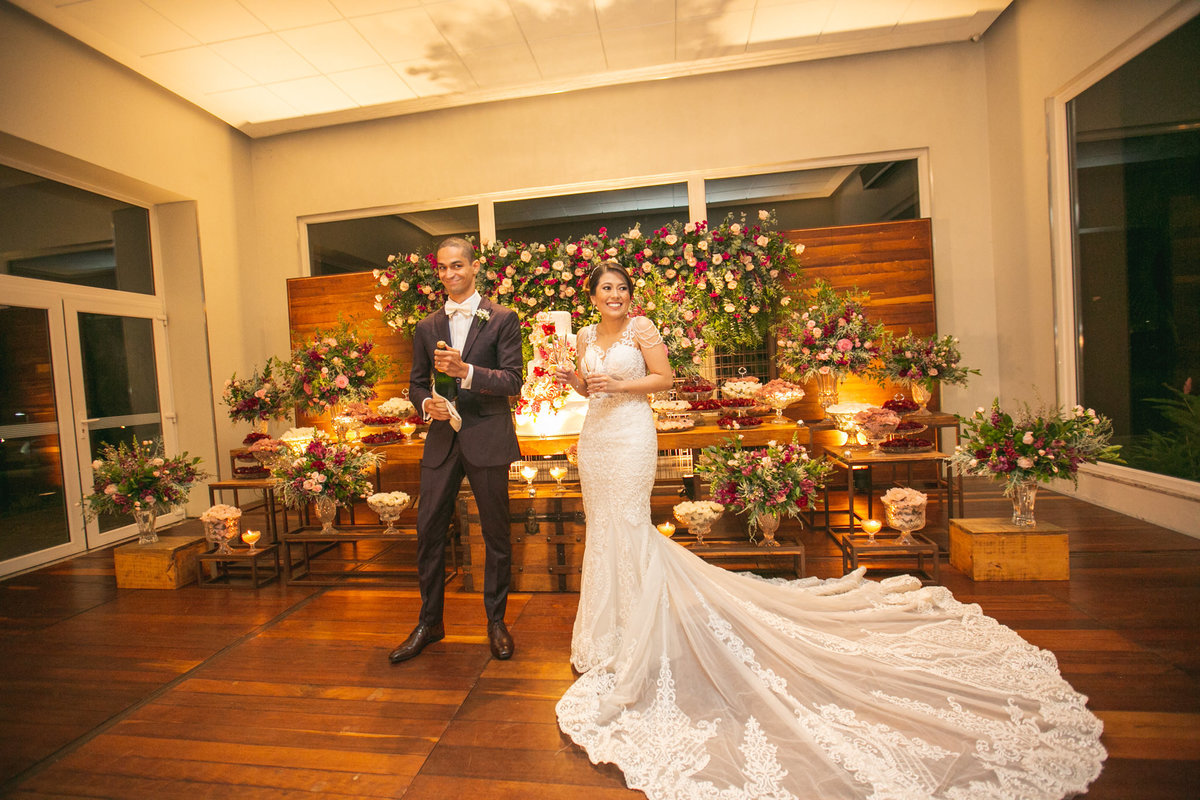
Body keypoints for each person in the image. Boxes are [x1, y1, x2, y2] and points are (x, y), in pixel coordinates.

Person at [553, 261, 1106, 799]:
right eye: (605, 288)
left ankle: (642, 626)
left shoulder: (643, 328)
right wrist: (575, 379)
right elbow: (586, 390)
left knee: (631, 523)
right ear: (593, 296)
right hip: (595, 438)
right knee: (604, 527)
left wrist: (619, 386)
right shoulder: (583, 335)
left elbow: (664, 379)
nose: (614, 295)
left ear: (630, 294)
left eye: (621, 287)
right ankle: (610, 633)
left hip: (631, 435)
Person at [390, 236, 524, 664]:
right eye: (443, 268)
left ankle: (496, 622)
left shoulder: (502, 318)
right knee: (428, 530)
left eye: (457, 265)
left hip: (487, 436)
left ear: (474, 267)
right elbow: (415, 382)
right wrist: (424, 404)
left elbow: (513, 381)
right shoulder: (427, 326)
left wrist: (467, 371)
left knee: (495, 535)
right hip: (442, 440)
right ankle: (430, 623)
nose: (450, 274)